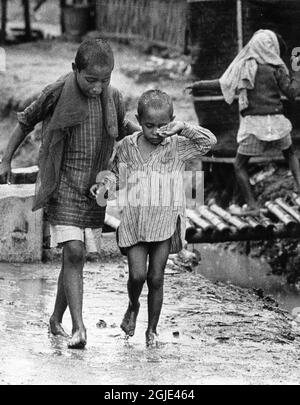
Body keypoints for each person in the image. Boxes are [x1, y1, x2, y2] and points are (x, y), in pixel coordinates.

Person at [0, 38, 139, 349]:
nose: (98, 87)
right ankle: (79, 328)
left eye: (105, 79)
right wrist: (6, 158)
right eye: (91, 80)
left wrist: (148, 135)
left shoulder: (113, 98)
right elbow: (25, 121)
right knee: (74, 252)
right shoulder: (57, 91)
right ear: (75, 70)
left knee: (73, 258)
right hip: (61, 181)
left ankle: (55, 319)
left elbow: (122, 125)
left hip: (95, 189)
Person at [90, 89, 216, 346]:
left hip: (164, 223)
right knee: (137, 276)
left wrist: (182, 128)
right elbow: (115, 175)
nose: (156, 131)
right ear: (138, 119)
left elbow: (209, 142)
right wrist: (104, 187)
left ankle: (152, 330)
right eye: (149, 125)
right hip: (135, 223)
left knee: (156, 277)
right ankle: (133, 305)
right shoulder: (127, 146)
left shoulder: (177, 146)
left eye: (163, 125)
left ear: (171, 121)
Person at [186, 29, 300, 211]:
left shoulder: (245, 67)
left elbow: (222, 84)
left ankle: (252, 204)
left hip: (254, 124)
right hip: (278, 122)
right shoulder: (278, 68)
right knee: (291, 155)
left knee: (239, 165)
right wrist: (296, 74)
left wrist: (199, 85)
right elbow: (293, 93)